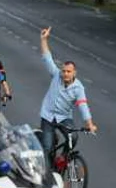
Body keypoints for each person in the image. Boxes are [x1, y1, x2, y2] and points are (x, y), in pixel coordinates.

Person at [38, 27, 97, 155]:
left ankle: (63, 159)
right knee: (47, 148)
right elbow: (47, 57)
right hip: (48, 116)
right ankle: (49, 173)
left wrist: (89, 124)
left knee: (73, 138)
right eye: (64, 71)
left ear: (74, 73)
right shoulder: (56, 75)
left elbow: (83, 105)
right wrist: (44, 39)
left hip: (64, 118)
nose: (65, 74)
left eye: (68, 72)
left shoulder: (78, 87)